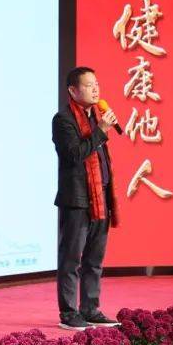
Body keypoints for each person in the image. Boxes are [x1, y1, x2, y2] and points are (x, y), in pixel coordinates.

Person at [51, 66, 120, 330]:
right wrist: (101, 130)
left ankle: (90, 308)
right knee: (71, 259)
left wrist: (99, 128)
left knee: (94, 259)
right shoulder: (63, 120)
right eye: (89, 85)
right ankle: (69, 313)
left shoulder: (95, 117)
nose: (95, 89)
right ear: (73, 90)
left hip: (100, 199)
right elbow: (74, 154)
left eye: (97, 84)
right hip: (77, 200)